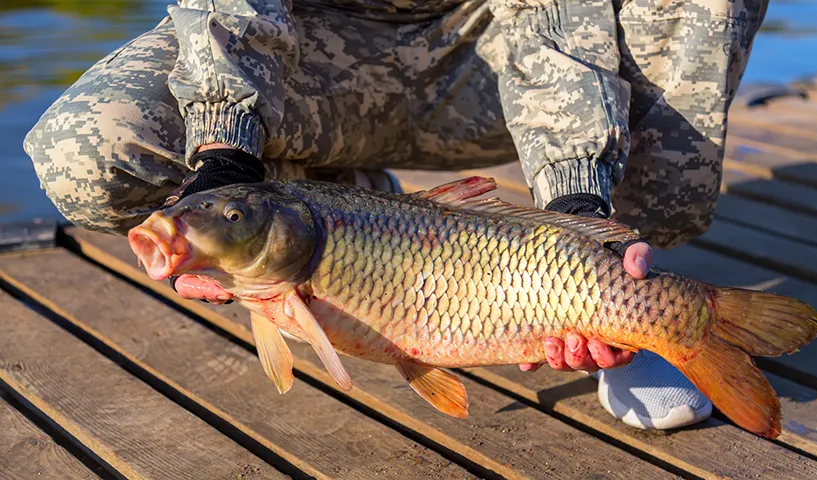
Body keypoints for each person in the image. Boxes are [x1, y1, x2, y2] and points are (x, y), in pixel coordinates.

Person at [23, 0, 768, 431]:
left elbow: (557, 14)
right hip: (309, 53)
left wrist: (577, 208)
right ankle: (332, 198)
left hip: (492, 47)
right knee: (84, 149)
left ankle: (631, 307)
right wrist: (223, 154)